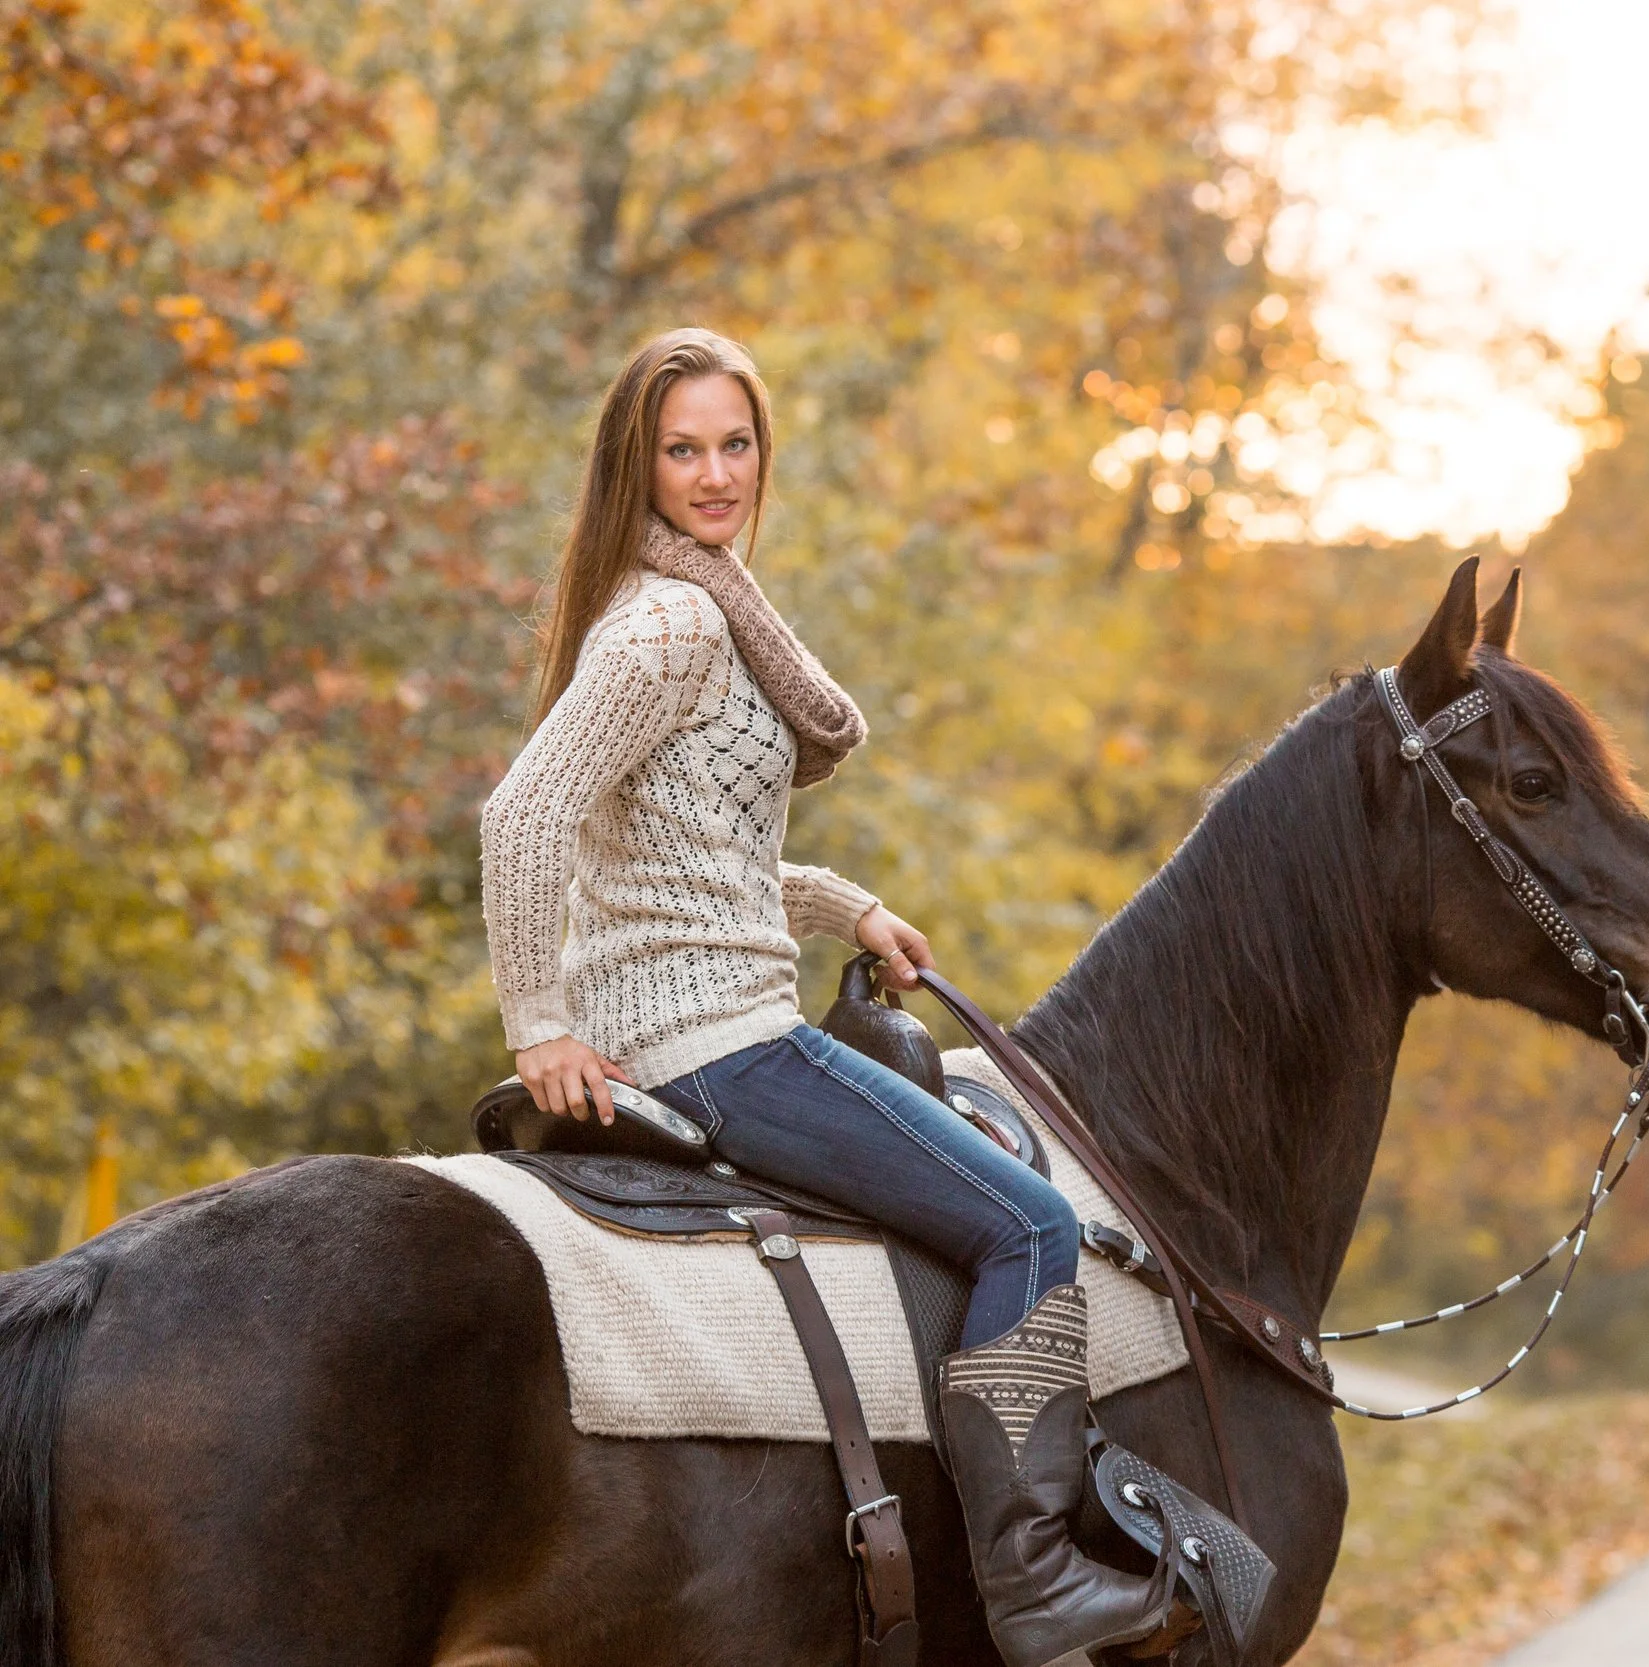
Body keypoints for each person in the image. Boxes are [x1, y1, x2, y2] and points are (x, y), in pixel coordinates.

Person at [480, 326, 1168, 1666]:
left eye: (735, 444)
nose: (715, 472)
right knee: (1030, 1227)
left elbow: (693, 854)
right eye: (683, 449)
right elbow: (525, 814)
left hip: (707, 1010)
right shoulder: (674, 621)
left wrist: (843, 902)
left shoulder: (695, 604)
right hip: (713, 1048)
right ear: (640, 462)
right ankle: (1036, 1583)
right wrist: (537, 1020)